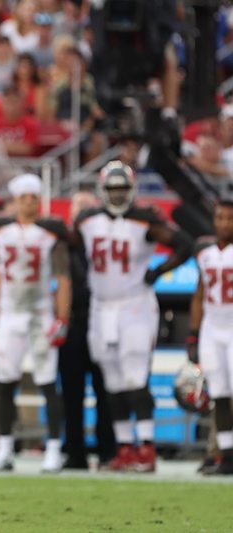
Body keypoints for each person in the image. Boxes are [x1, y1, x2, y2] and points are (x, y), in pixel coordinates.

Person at [76, 161, 192, 472]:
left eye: (122, 189)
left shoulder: (145, 220)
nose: (116, 195)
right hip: (101, 307)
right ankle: (125, 447)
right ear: (102, 190)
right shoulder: (87, 221)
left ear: (132, 191)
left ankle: (147, 447)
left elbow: (184, 244)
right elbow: (71, 247)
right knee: (112, 381)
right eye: (112, 189)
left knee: (134, 377)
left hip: (134, 305)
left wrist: (158, 271)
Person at [0, 174, 71, 473]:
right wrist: (2, 293)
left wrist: (62, 317)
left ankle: (53, 449)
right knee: (5, 381)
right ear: (15, 201)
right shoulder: (2, 231)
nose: (29, 202)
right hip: (10, 314)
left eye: (33, 197)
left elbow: (62, 278)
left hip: (39, 314)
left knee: (47, 382)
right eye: (24, 197)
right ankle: (4, 448)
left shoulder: (50, 234)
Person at [58, 191, 116, 470]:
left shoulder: (105, 241)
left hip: (103, 318)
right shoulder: (62, 244)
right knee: (71, 391)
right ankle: (74, 451)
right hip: (73, 321)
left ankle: (108, 451)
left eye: (87, 208)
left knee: (106, 390)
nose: (81, 214)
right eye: (77, 208)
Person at [186, 200, 233, 475]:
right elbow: (200, 293)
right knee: (220, 394)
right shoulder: (203, 251)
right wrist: (193, 333)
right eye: (221, 218)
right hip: (212, 328)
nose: (225, 223)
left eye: (230, 218)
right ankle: (227, 456)